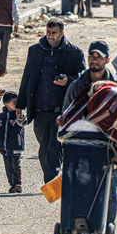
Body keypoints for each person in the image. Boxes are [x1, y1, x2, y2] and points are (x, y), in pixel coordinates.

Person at [62, 40, 117, 230]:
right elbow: (66, 117)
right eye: (91, 56)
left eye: (98, 57)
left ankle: (106, 227)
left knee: (109, 190)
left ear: (107, 59)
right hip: (81, 145)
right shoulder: (77, 85)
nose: (94, 60)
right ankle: (80, 225)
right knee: (80, 187)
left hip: (109, 146)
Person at [16, 18, 85, 184]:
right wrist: (20, 105)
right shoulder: (35, 51)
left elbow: (83, 78)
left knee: (53, 147)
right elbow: (27, 78)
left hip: (60, 110)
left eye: (54, 33)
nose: (50, 36)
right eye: (48, 32)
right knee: (44, 147)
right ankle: (56, 180)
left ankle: (52, 183)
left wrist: (68, 80)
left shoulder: (74, 52)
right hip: (39, 108)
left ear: (62, 33)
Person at [0, 91, 26, 193]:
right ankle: (11, 184)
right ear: (6, 104)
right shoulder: (0, 118)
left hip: (16, 145)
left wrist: (20, 117)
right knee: (8, 167)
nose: (17, 104)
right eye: (14, 102)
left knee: (16, 165)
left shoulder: (18, 115)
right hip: (4, 147)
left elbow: (23, 122)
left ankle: (17, 183)